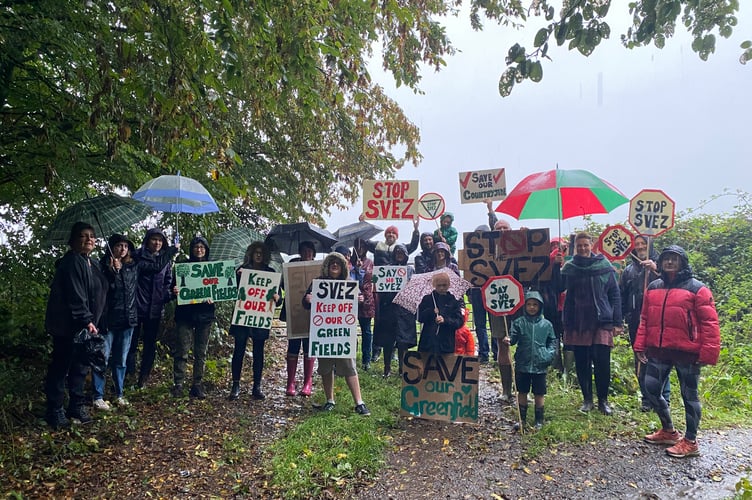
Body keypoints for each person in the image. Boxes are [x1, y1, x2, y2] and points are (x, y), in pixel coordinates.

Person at [634, 245, 720, 458]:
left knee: (689, 396)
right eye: (666, 259)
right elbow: (645, 319)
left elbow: (710, 323)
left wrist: (708, 353)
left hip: (687, 352)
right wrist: (640, 345)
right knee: (651, 389)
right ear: (661, 262)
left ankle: (690, 441)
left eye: (674, 259)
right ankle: (668, 430)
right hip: (658, 350)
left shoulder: (697, 289)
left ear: (683, 262)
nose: (669, 262)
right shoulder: (653, 287)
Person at [44, 222, 108, 429]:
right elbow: (76, 294)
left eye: (92, 236)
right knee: (61, 365)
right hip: (68, 325)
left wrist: (114, 272)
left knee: (80, 367)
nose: (88, 239)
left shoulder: (94, 263)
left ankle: (76, 405)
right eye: (83, 236)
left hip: (87, 326)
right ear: (73, 241)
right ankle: (55, 409)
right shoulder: (71, 262)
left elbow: (104, 290)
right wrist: (86, 320)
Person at [560, 232, 623, 415]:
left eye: (585, 245)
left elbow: (615, 295)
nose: (582, 248)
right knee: (582, 362)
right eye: (579, 246)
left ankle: (603, 400)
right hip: (578, 320)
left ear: (591, 245)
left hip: (601, 320)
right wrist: (558, 266)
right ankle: (587, 399)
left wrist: (617, 322)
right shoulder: (569, 268)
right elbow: (559, 288)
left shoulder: (604, 266)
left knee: (602, 362)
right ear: (575, 248)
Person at [302, 252, 370, 415]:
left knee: (349, 366)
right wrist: (307, 299)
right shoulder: (317, 283)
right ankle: (329, 400)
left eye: (338, 263)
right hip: (324, 334)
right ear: (327, 266)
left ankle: (359, 402)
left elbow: (360, 304)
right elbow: (305, 302)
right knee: (325, 366)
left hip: (343, 334)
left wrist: (360, 300)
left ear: (342, 267)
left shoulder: (349, 284)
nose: (334, 265)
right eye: (331, 262)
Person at [620, 234, 670, 411]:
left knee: (660, 358)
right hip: (636, 321)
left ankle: (664, 398)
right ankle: (646, 399)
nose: (640, 247)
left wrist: (657, 269)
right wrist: (622, 319)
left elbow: (675, 283)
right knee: (640, 359)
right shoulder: (629, 271)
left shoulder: (664, 264)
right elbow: (622, 297)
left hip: (659, 320)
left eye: (643, 244)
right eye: (637, 244)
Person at [228, 241, 282, 401]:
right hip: (243, 316)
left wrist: (277, 298)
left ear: (265, 255)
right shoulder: (242, 270)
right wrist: (237, 277)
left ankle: (257, 386)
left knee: (259, 352)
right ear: (250, 254)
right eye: (255, 252)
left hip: (260, 318)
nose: (258, 255)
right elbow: (231, 291)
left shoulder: (270, 272)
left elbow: (278, 298)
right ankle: (235, 385)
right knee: (238, 350)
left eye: (261, 252)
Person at [127, 228, 176, 388]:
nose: (157, 243)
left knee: (149, 345)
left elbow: (167, 283)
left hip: (155, 310)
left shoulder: (165, 261)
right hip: (136, 308)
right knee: (131, 345)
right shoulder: (137, 256)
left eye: (160, 240)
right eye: (154, 239)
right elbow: (153, 267)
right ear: (147, 240)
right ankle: (129, 377)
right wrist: (171, 252)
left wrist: (169, 295)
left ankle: (143, 379)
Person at [95, 234, 139, 410]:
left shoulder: (131, 267)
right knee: (102, 358)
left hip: (128, 319)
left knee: (121, 360)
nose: (122, 249)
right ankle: (98, 395)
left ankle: (118, 393)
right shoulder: (100, 266)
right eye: (119, 246)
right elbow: (102, 290)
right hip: (107, 320)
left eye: (126, 246)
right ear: (111, 247)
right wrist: (112, 272)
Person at [170, 236, 216, 399]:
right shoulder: (183, 267)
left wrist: (214, 296)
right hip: (185, 315)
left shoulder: (213, 268)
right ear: (192, 249)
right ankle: (179, 384)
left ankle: (197, 384)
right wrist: (174, 291)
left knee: (200, 352)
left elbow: (221, 288)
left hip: (205, 315)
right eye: (196, 247)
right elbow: (172, 288)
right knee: (182, 350)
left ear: (206, 250)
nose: (199, 250)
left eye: (202, 247)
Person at [506, 291, 556, 430]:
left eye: (535, 304)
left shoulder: (547, 325)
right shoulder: (519, 322)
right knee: (522, 391)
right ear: (525, 306)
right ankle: (522, 419)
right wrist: (509, 339)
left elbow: (552, 341)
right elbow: (513, 338)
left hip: (540, 364)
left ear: (540, 306)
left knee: (539, 392)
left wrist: (548, 354)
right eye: (529, 304)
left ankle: (539, 419)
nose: (532, 307)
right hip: (523, 363)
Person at [280, 240, 318, 397]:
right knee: (293, 346)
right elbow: (284, 286)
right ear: (300, 252)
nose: (307, 253)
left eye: (310, 251)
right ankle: (291, 382)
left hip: (312, 315)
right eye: (304, 250)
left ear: (313, 254)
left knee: (309, 347)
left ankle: (307, 382)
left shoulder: (319, 268)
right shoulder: (291, 265)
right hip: (294, 312)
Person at [373, 244, 416, 377]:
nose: (399, 254)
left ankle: (402, 369)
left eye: (401, 252)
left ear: (405, 255)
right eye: (396, 252)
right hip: (388, 309)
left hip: (404, 311)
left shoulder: (410, 270)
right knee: (388, 340)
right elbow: (377, 285)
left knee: (403, 341)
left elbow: (414, 289)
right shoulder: (385, 269)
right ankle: (387, 368)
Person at [417, 272, 464, 354]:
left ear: (449, 285)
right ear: (434, 285)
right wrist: (431, 311)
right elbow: (420, 318)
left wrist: (445, 320)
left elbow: (459, 321)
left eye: (444, 285)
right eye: (439, 285)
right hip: (428, 342)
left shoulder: (453, 301)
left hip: (446, 343)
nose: (441, 288)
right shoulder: (427, 299)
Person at [350, 239, 376, 371]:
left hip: (366, 300)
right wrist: (355, 269)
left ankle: (367, 360)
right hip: (351, 301)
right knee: (351, 330)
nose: (360, 248)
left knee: (366, 331)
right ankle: (351, 358)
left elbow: (375, 280)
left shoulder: (371, 263)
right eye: (357, 246)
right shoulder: (349, 263)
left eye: (363, 246)